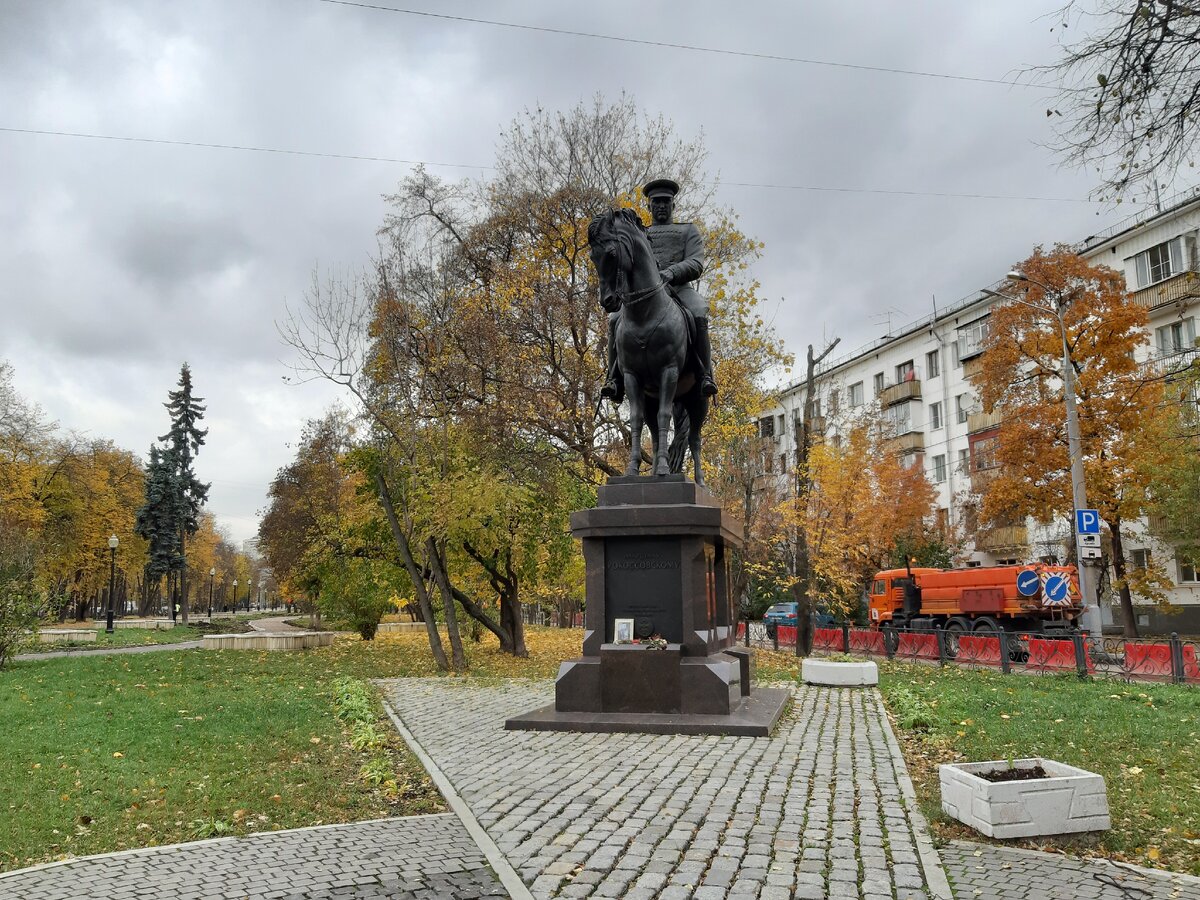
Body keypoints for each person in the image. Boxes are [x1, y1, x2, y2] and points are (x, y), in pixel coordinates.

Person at [601, 177, 718, 403]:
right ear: (649, 206)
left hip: (680, 289)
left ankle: (705, 375)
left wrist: (671, 273)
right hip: (647, 296)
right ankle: (614, 379)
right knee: (615, 320)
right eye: (656, 202)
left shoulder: (687, 231)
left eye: (666, 201)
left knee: (699, 313)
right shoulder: (639, 234)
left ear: (673, 204)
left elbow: (696, 263)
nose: (661, 206)